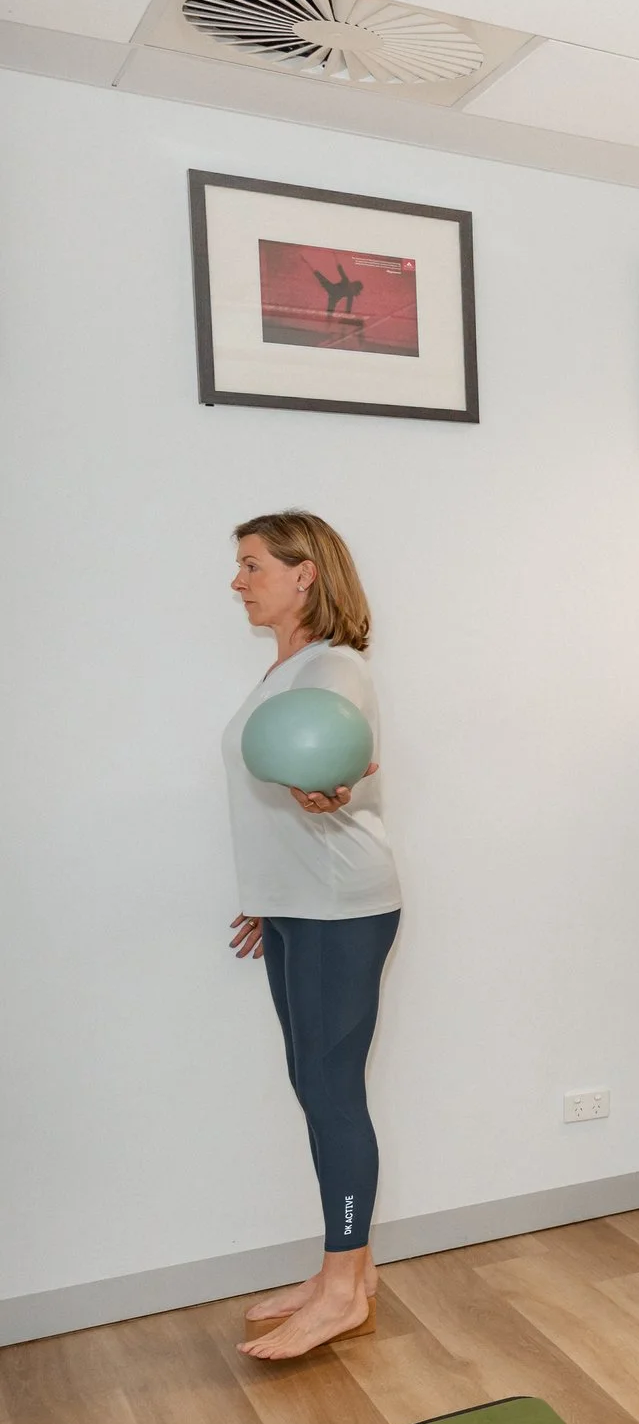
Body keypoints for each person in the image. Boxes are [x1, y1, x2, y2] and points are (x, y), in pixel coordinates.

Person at [224, 511, 399, 1361]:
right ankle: (348, 1274)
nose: (237, 580)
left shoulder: (334, 667)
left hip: (339, 904)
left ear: (305, 575)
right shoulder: (285, 669)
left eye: (252, 564)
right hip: (298, 903)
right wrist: (266, 893)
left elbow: (347, 777)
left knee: (331, 1093)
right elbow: (273, 793)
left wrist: (335, 793)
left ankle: (341, 1292)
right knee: (313, 1084)